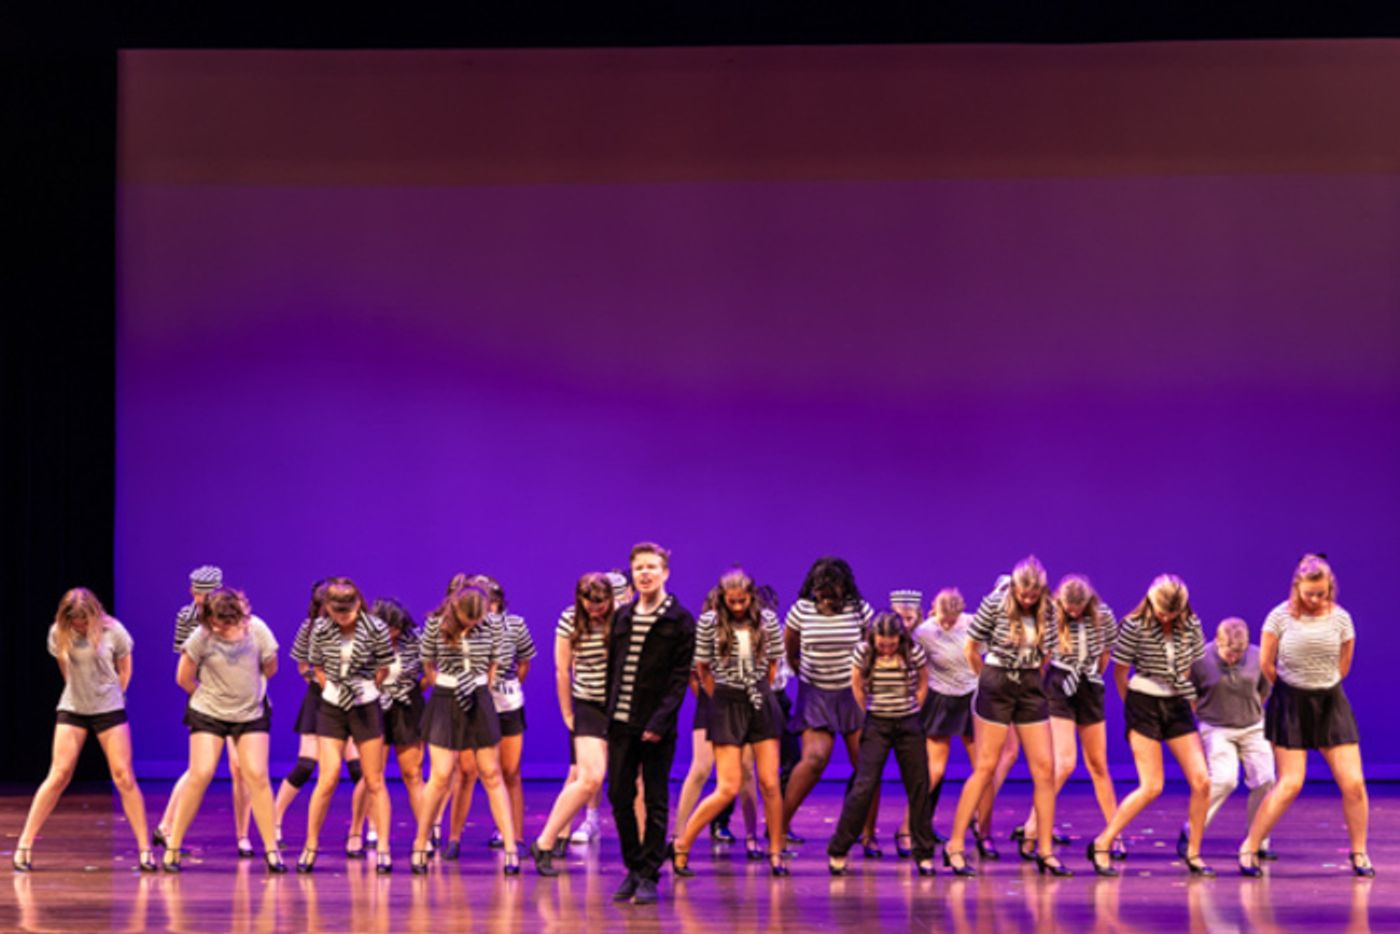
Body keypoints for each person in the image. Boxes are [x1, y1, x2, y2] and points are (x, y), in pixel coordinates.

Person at [1239, 555, 1372, 877]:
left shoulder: (1341, 619)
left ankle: (1359, 852)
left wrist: (1321, 684)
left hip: (1330, 702)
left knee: (1354, 783)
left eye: (1321, 594)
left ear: (1330, 589)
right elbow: (1267, 663)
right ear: (1297, 587)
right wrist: (1293, 689)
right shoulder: (1279, 617)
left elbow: (1344, 664)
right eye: (1309, 593)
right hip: (1291, 703)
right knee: (1290, 783)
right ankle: (1250, 846)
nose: (1314, 599)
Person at [942, 557, 1071, 877]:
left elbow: (1048, 652)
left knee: (1045, 768)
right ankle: (954, 845)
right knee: (986, 766)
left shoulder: (1048, 609)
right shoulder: (995, 603)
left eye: (1033, 595)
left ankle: (1044, 850)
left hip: (1029, 684)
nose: (1027, 600)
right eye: (1022, 594)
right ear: (1014, 587)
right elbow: (971, 646)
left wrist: (1031, 675)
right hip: (996, 681)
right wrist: (987, 679)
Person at [13, 588, 156, 873]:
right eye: (74, 621)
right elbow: (65, 670)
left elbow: (125, 670)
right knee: (59, 774)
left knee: (123, 776)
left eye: (83, 621)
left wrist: (113, 696)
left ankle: (145, 850)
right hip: (74, 707)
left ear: (94, 614)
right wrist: (80, 693)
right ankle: (24, 845)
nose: (79, 626)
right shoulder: (58, 632)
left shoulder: (114, 631)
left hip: (109, 709)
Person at [1087, 574, 1212, 878]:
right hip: (1143, 702)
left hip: (1177, 702)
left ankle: (1194, 853)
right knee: (1152, 785)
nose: (1166, 618)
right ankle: (1103, 841)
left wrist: (1189, 696)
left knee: (1202, 781)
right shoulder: (1134, 625)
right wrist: (1131, 705)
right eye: (1162, 612)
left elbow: (1191, 666)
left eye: (1172, 613)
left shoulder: (1191, 624)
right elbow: (1120, 672)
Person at [669, 568, 787, 876]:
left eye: (742, 601)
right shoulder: (709, 622)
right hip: (725, 702)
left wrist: (757, 691)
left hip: (760, 700)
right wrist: (721, 698)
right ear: (722, 598)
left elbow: (773, 665)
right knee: (728, 786)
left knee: (770, 782)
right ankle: (682, 843)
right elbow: (702, 668)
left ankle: (776, 851)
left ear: (751, 597)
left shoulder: (767, 620)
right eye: (731, 601)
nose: (737, 607)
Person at [160, 588, 284, 873]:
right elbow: (183, 677)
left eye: (225, 624)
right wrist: (210, 697)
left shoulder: (257, 630)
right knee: (201, 773)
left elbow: (271, 667)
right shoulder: (201, 636)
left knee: (257, 775)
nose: (220, 628)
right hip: (209, 712)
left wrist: (247, 690)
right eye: (215, 623)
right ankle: (173, 846)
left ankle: (271, 850)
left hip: (250, 712)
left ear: (239, 617)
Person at [605, 542, 695, 905]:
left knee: (656, 800)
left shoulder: (679, 619)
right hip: (621, 721)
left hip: (656, 725)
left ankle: (649, 874)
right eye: (639, 567)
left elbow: (678, 679)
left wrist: (660, 721)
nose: (644, 573)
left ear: (665, 572)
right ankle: (634, 866)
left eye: (651, 567)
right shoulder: (622, 616)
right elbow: (613, 668)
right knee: (619, 795)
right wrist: (609, 713)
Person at [410, 584, 519, 875]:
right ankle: (420, 842)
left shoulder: (492, 625)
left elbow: (497, 662)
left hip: (479, 698)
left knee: (491, 772)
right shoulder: (436, 625)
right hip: (446, 699)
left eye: (476, 619)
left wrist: (481, 686)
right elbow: (427, 663)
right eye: (466, 619)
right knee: (441, 775)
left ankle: (510, 848)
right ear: (455, 609)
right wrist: (445, 685)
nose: (472, 624)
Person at [1013, 575, 1120, 859]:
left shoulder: (1103, 615)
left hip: (1089, 684)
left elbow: (1106, 654)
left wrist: (1090, 676)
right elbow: (1043, 657)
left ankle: (1114, 833)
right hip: (1059, 686)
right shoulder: (1051, 614)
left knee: (1098, 764)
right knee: (1064, 762)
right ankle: (1033, 825)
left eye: (1078, 608)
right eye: (1068, 608)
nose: (1073, 613)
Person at [154, 565, 256, 857]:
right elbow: (186, 663)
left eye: (208, 594)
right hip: (206, 697)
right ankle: (166, 826)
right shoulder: (187, 617)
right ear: (192, 592)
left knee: (241, 767)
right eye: (199, 594)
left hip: (237, 698)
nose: (203, 599)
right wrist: (203, 694)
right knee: (199, 769)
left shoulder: (234, 613)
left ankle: (243, 835)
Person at [827, 612, 936, 876]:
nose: (887, 648)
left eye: (892, 643)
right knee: (864, 785)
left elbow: (924, 682)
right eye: (882, 644)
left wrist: (914, 707)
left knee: (919, 786)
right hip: (877, 724)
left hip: (908, 724)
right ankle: (839, 849)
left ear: (900, 638)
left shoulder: (913, 652)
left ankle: (923, 854)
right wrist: (870, 712)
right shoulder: (864, 653)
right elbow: (857, 686)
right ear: (874, 638)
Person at [781, 557, 878, 854]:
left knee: (866, 765)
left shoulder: (860, 610)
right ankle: (778, 827)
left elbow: (871, 651)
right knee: (814, 759)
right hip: (816, 694)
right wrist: (808, 676)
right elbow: (791, 651)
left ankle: (868, 834)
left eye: (832, 592)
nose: (826, 598)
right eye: (821, 592)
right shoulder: (801, 610)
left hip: (852, 693)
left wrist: (862, 685)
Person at [299, 578, 395, 873]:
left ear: (357, 605)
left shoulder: (375, 628)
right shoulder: (321, 628)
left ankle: (383, 847)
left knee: (373, 778)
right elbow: (316, 666)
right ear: (328, 607)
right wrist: (332, 688)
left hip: (365, 704)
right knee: (327, 777)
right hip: (332, 705)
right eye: (336, 612)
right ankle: (310, 845)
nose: (342, 618)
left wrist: (366, 688)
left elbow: (384, 666)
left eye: (348, 612)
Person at [530, 572, 615, 875]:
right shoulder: (569, 620)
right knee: (589, 777)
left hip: (619, 705)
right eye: (590, 605)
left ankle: (644, 856)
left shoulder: (621, 618)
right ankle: (545, 841)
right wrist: (568, 713)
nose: (596, 610)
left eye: (602, 604)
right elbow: (562, 670)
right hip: (588, 704)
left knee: (635, 780)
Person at [273, 581, 366, 852]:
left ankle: (360, 829)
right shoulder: (311, 628)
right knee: (306, 765)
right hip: (322, 697)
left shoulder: (362, 627)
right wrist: (323, 684)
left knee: (360, 769)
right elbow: (303, 665)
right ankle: (274, 819)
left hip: (354, 698)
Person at [1182, 617, 1275, 862]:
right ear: (1217, 641)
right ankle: (1191, 832)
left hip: (1253, 726)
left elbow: (1263, 691)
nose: (1233, 658)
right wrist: (1204, 715)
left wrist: (1250, 712)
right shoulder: (1200, 659)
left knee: (1265, 779)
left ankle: (1257, 839)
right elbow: (1190, 693)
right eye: (1229, 653)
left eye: (1238, 654)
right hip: (1216, 728)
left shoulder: (1258, 657)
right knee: (1224, 780)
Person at [346, 598, 428, 852]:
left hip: (407, 707)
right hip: (374, 706)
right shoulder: (364, 641)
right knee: (372, 774)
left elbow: (428, 672)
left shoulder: (414, 640)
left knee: (413, 774)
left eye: (397, 627)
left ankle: (424, 836)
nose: (393, 632)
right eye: (389, 627)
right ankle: (357, 831)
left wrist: (413, 692)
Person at [903, 588, 978, 856]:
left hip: (970, 698)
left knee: (983, 770)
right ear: (935, 609)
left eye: (951, 620)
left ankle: (982, 829)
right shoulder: (925, 632)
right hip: (941, 699)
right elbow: (912, 663)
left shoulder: (972, 624)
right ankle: (906, 828)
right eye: (943, 619)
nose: (946, 625)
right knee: (934, 771)